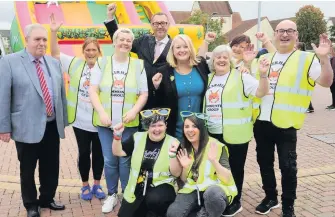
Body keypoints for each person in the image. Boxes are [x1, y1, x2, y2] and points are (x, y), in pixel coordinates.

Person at [252, 20, 334, 217]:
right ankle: (270, 197)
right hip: (261, 121)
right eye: (281, 31)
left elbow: (326, 82)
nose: (285, 34)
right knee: (264, 162)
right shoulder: (265, 58)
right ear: (275, 35)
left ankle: (288, 206)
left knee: (288, 167)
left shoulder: (306, 59)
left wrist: (324, 59)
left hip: (286, 123)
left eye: (290, 31)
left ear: (296, 35)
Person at [0, 24, 68, 217]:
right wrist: (3, 127)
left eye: (44, 39)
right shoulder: (9, 62)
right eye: (37, 39)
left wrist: (63, 121)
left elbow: (60, 95)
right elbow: (3, 96)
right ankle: (31, 204)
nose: (42, 43)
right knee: (27, 168)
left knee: (51, 165)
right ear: (27, 40)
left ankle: (47, 198)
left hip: (51, 126)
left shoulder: (53, 63)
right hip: (25, 126)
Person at [203, 44, 270, 216]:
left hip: (236, 133)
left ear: (231, 60)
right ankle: (222, 197)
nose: (222, 60)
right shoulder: (208, 78)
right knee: (217, 168)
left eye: (225, 57)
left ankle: (235, 200)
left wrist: (263, 75)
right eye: (218, 57)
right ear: (213, 61)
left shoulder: (241, 77)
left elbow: (261, 92)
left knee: (235, 168)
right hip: (213, 132)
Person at [89, 28, 148, 213]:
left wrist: (134, 111)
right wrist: (101, 112)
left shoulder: (139, 65)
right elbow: (93, 90)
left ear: (132, 44)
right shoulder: (101, 63)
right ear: (114, 42)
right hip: (106, 124)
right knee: (109, 160)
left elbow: (143, 93)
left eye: (128, 40)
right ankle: (112, 194)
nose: (125, 43)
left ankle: (127, 194)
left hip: (128, 124)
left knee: (125, 160)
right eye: (121, 39)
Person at [49, 14, 105, 200]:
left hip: (100, 121)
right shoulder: (74, 64)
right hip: (80, 121)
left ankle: (97, 184)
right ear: (83, 51)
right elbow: (55, 53)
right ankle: (84, 185)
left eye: (94, 50)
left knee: (99, 154)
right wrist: (54, 32)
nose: (90, 53)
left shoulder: (105, 67)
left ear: (99, 51)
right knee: (84, 154)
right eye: (87, 50)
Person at [111, 108, 180, 217]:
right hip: (137, 188)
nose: (157, 129)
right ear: (148, 127)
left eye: (160, 125)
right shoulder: (137, 137)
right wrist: (117, 136)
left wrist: (172, 155)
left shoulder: (173, 142)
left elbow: (176, 173)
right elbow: (117, 152)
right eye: (153, 126)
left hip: (161, 189)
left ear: (166, 125)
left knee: (154, 200)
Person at [167, 113, 237, 217]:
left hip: (214, 191)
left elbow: (227, 178)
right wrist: (185, 168)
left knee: (212, 195)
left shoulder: (216, 146)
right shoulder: (184, 147)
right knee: (173, 214)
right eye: (186, 126)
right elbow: (183, 179)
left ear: (202, 128)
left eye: (194, 126)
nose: (190, 130)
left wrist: (214, 161)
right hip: (193, 189)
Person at [105, 3, 171, 110]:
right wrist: (110, 17)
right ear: (151, 25)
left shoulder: (175, 47)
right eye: (156, 23)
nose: (159, 26)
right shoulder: (144, 41)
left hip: (165, 100)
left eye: (163, 23)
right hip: (142, 100)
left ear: (168, 24)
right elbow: (121, 41)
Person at [152, 33, 215, 141]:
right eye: (178, 47)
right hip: (176, 131)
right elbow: (159, 103)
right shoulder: (164, 71)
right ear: (173, 50)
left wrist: (245, 66)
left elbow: (221, 71)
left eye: (186, 46)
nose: (182, 50)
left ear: (191, 48)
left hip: (201, 129)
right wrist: (156, 87)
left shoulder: (201, 65)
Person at [295, 41, 314, 113]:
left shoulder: (301, 55)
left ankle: (309, 107)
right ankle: (309, 107)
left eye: (295, 47)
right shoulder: (304, 55)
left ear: (299, 48)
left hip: (303, 76)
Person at [326, 45, 335, 110]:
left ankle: (334, 105)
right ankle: (333, 104)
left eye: (331, 50)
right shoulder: (332, 58)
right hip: (332, 79)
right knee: (332, 91)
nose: (330, 51)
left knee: (334, 91)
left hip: (334, 79)